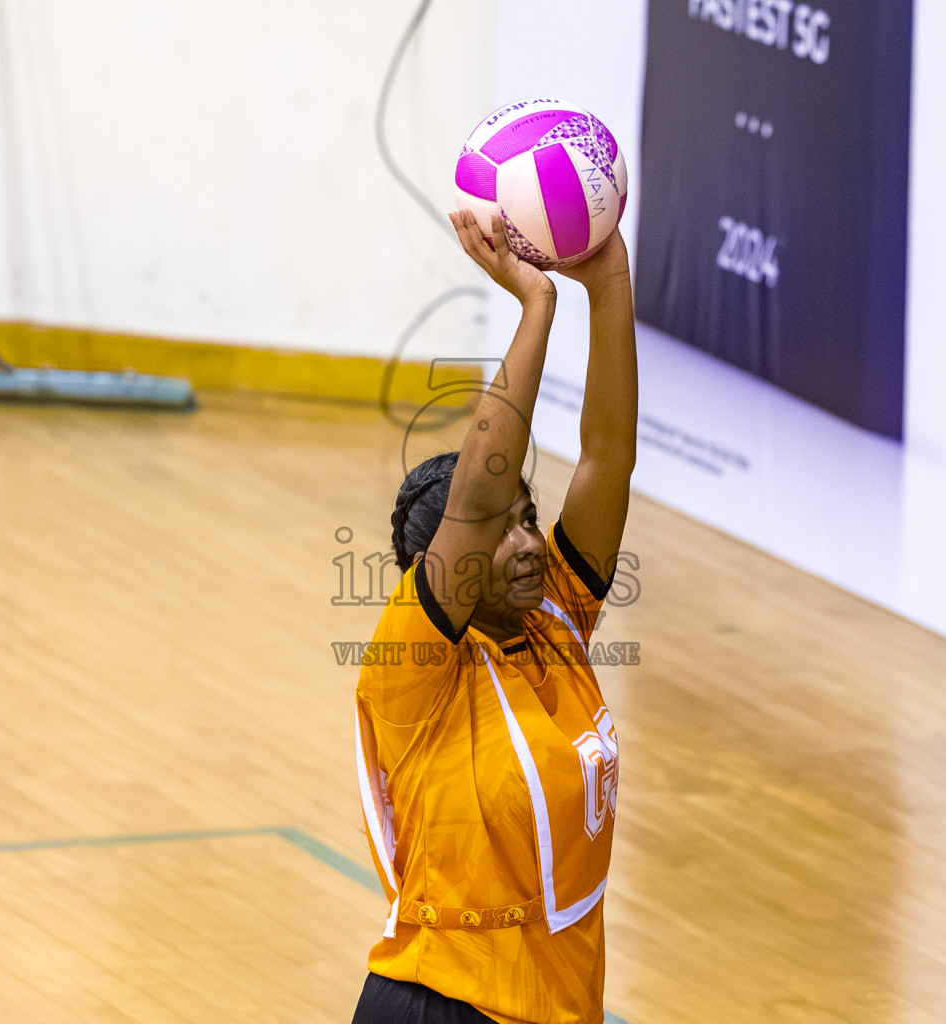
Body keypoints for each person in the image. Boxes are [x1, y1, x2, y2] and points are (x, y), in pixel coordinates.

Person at [350, 209, 638, 1024]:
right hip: (440, 1003)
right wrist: (536, 309)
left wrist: (608, 282)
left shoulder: (558, 618)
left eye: (529, 516)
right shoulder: (411, 666)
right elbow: (474, 498)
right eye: (500, 526)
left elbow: (608, 455)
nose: (525, 542)